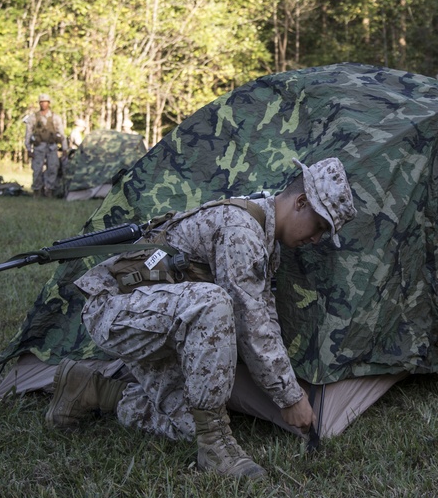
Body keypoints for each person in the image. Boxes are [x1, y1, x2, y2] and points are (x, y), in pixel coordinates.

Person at [45, 157, 357, 480]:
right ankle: (216, 448)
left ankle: (89, 389)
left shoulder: (265, 241)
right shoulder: (241, 231)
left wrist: (290, 389)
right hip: (116, 308)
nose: (316, 239)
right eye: (319, 225)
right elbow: (250, 322)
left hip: (158, 318)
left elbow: (265, 317)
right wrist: (289, 397)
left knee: (186, 425)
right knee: (214, 302)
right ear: (301, 202)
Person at [24, 94, 66, 197]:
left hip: (52, 147)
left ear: (49, 103)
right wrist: (29, 149)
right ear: (39, 103)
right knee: (37, 169)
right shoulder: (33, 117)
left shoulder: (55, 117)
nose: (43, 104)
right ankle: (37, 190)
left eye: (45, 102)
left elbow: (61, 133)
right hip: (39, 147)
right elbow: (28, 133)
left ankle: (50, 190)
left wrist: (65, 148)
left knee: (53, 168)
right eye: (41, 102)